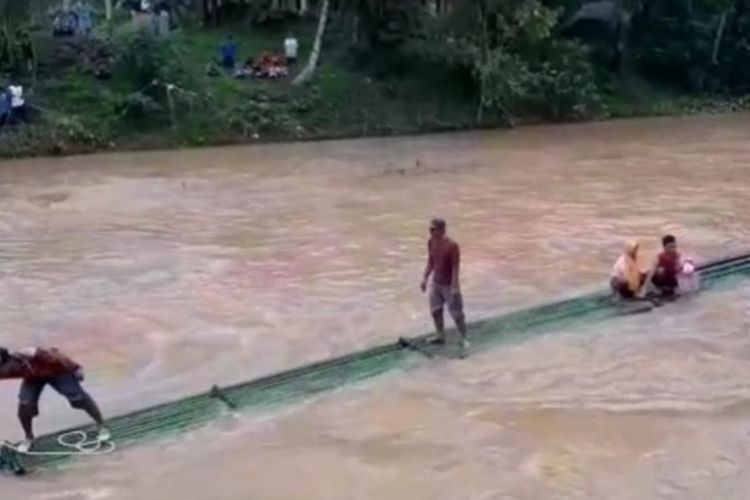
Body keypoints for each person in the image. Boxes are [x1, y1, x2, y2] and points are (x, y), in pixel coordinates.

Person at [0, 346, 109, 452]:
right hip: (33, 377)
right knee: (25, 404)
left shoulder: (27, 354)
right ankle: (29, 437)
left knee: (78, 397)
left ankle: (101, 425)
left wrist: (75, 368)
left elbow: (56, 355)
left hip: (56, 372)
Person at [420, 218, 469, 353]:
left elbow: (455, 268)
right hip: (436, 283)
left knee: (457, 314)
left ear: (442, 230)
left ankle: (464, 338)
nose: (430, 232)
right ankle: (440, 335)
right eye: (430, 229)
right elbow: (431, 262)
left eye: (433, 229)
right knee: (435, 310)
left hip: (448, 284)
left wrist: (455, 286)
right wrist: (425, 278)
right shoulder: (431, 242)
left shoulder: (452, 246)